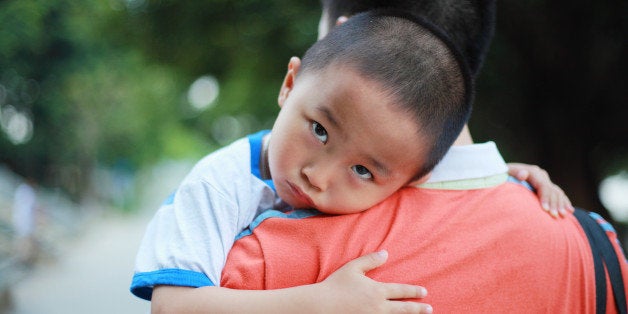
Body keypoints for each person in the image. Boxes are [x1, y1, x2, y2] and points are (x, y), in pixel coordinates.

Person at [138, 5, 575, 314]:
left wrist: (512, 176)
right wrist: (319, 303)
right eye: (319, 130)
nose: (317, 177)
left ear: (411, 179)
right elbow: (173, 305)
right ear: (290, 84)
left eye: (362, 171)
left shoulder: (401, 161)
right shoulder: (216, 187)